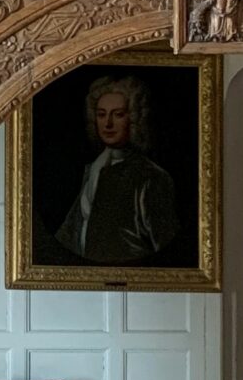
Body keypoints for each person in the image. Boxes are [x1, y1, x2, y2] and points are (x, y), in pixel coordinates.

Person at [54, 74, 180, 266]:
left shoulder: (151, 176)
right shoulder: (93, 169)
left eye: (118, 114)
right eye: (101, 114)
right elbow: (69, 235)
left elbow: (165, 245)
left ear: (134, 118)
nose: (108, 123)